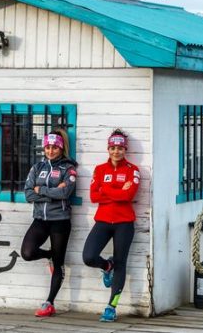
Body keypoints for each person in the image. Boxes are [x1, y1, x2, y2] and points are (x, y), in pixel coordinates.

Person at [83, 129, 140, 322]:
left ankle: (111, 306)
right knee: (89, 256)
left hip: (124, 223)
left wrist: (105, 189)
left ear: (125, 149)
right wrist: (115, 190)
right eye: (113, 148)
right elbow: (93, 196)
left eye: (120, 148)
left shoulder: (133, 170)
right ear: (108, 149)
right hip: (103, 221)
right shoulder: (99, 169)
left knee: (121, 263)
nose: (116, 151)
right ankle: (107, 266)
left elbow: (128, 196)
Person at [20, 129, 77, 317]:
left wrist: (41, 190)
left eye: (54, 147)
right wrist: (51, 193)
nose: (51, 151)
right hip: (40, 220)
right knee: (27, 253)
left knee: (59, 264)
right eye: (48, 147)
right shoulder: (37, 168)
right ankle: (50, 255)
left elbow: (65, 193)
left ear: (61, 149)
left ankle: (49, 302)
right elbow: (28, 194)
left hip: (60, 221)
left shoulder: (68, 169)